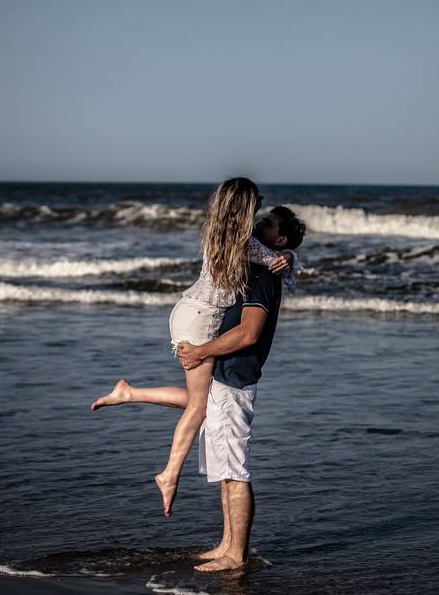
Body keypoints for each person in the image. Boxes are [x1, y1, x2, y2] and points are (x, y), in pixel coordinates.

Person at [90, 178, 301, 518]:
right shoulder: (244, 245)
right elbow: (279, 262)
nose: (260, 211)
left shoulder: (219, 232)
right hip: (201, 321)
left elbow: (278, 259)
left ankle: (129, 393)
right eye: (257, 207)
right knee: (202, 407)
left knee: (206, 401)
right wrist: (288, 255)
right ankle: (169, 474)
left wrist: (287, 255)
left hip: (191, 312)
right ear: (245, 208)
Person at [177, 206, 306, 572]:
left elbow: (248, 333)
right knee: (224, 469)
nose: (257, 225)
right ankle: (226, 543)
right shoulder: (257, 265)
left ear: (279, 239)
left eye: (266, 224)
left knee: (236, 472)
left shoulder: (264, 275)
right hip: (225, 374)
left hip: (237, 377)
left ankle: (237, 555)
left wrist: (201, 351)